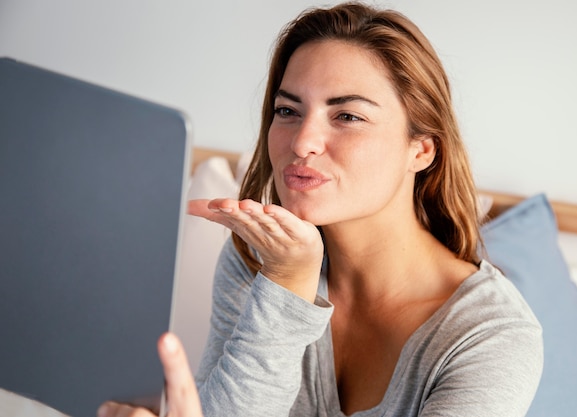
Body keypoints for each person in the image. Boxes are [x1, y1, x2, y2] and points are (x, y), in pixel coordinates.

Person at [100, 2, 543, 416]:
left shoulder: (491, 336)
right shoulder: (256, 261)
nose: (302, 142)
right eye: (288, 110)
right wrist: (285, 285)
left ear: (421, 150)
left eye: (347, 116)